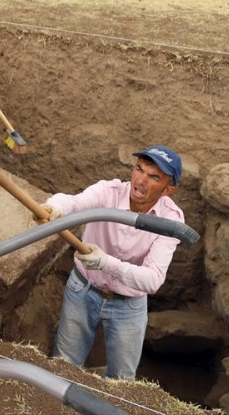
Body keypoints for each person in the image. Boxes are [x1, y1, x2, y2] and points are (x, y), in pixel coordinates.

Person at [40, 146, 185, 380]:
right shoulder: (108, 192)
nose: (141, 179)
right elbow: (75, 202)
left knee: (121, 382)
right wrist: (54, 207)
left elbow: (153, 280)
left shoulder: (171, 220)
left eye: (154, 176)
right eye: (139, 169)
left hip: (128, 305)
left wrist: (106, 263)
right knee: (63, 367)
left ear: (168, 190)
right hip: (82, 290)